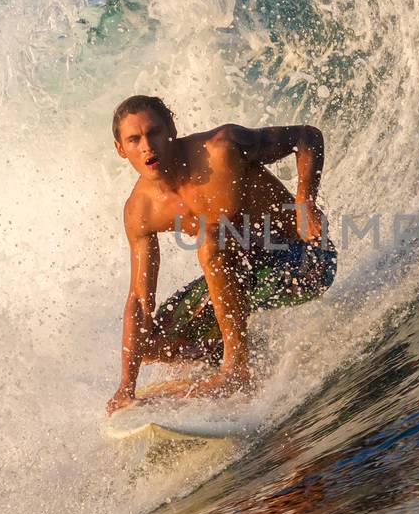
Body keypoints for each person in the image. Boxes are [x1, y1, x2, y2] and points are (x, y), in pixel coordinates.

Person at [104, 95, 335, 414]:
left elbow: (307, 137)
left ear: (171, 129)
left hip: (302, 260)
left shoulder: (222, 148)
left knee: (211, 240)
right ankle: (229, 358)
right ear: (121, 149)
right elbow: (140, 301)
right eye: (134, 139)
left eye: (154, 132)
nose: (147, 146)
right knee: (147, 342)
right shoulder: (140, 210)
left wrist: (304, 202)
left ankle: (236, 370)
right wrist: (125, 388)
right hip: (242, 278)